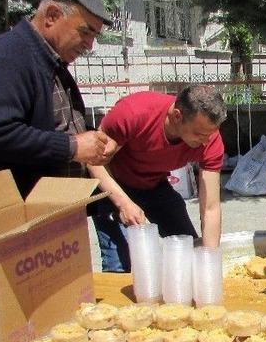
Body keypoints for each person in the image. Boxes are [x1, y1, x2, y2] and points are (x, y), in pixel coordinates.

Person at [0, 0, 113, 197]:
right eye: (85, 31)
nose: (89, 44)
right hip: (18, 213)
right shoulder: (10, 55)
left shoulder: (51, 60)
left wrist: (94, 140)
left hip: (55, 208)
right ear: (52, 15)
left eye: (94, 35)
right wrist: (72, 147)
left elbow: (54, 124)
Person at [89, 85, 226, 272]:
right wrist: (124, 204)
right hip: (114, 186)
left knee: (189, 251)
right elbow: (93, 162)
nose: (206, 141)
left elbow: (210, 207)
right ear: (177, 116)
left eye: (210, 134)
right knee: (121, 266)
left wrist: (210, 262)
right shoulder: (134, 112)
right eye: (199, 134)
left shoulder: (209, 138)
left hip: (155, 185)